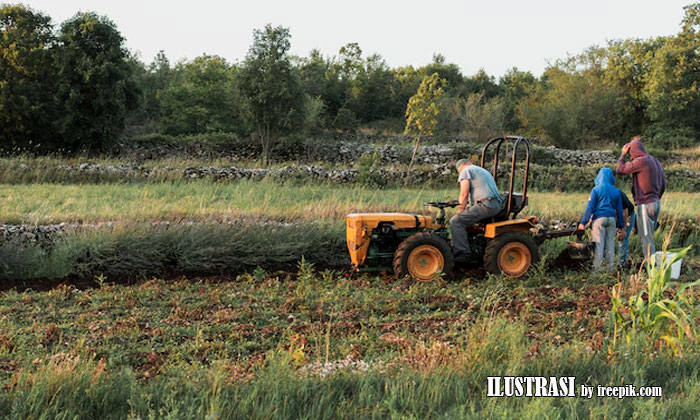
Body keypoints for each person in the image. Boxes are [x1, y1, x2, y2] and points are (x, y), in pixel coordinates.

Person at [615, 136, 665, 261]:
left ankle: (650, 268)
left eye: (630, 154)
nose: (631, 158)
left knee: (645, 237)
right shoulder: (656, 162)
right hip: (656, 203)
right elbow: (663, 185)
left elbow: (620, 170)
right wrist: (656, 198)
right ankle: (651, 263)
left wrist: (622, 155)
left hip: (645, 204)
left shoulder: (641, 161)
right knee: (649, 235)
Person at [450, 158, 503, 263]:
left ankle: (463, 253)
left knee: (456, 222)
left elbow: (464, 193)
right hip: (493, 204)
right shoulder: (479, 170)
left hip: (486, 205)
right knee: (466, 220)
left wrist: (460, 209)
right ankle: (472, 247)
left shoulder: (465, 171)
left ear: (459, 169)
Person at [577, 167, 625, 272]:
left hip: (599, 220)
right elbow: (620, 210)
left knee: (599, 245)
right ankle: (610, 269)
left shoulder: (596, 190)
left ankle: (597, 271)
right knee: (610, 246)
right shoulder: (616, 191)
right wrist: (621, 226)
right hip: (611, 219)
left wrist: (583, 222)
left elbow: (590, 207)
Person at [617, 190, 635, 268]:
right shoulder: (599, 193)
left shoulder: (619, 194)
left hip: (628, 216)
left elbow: (625, 213)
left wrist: (623, 229)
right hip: (616, 215)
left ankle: (622, 264)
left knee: (622, 238)